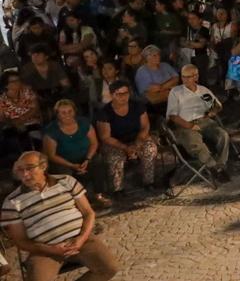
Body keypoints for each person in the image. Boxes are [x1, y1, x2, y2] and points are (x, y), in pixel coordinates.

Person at [1, 151, 120, 281]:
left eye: (29, 168)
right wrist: (50, 249)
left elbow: (88, 213)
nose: (25, 174)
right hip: (45, 250)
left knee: (109, 268)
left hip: (81, 240)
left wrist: (81, 238)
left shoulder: (66, 181)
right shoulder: (12, 201)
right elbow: (20, 241)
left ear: (43, 166)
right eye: (20, 170)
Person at [166, 64, 231, 183]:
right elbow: (173, 116)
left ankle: (221, 166)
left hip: (204, 121)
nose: (184, 79)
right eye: (183, 77)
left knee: (223, 135)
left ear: (196, 76)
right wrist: (190, 126)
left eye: (188, 77)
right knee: (196, 144)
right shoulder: (176, 92)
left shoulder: (203, 91)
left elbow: (216, 106)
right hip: (185, 124)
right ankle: (213, 168)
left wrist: (213, 111)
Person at [42, 100, 112, 208]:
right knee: (63, 172)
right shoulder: (52, 130)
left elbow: (94, 143)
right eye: (63, 112)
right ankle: (75, 202)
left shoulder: (84, 123)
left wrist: (87, 159)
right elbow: (51, 155)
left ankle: (98, 195)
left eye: (70, 111)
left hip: (85, 157)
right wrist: (71, 165)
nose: (67, 115)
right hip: (64, 161)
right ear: (57, 114)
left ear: (74, 111)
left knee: (98, 161)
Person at [96, 81, 156, 195]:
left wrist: (137, 143)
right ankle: (118, 188)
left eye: (126, 93)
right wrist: (125, 147)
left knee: (150, 148)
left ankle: (149, 182)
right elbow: (105, 137)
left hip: (136, 137)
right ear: (112, 95)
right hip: (115, 142)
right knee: (115, 156)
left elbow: (145, 126)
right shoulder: (104, 113)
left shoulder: (137, 106)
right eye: (119, 94)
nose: (123, 97)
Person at [0, 71, 43, 155]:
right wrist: (15, 123)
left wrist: (21, 119)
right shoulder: (2, 100)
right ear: (6, 85)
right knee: (14, 142)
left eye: (18, 80)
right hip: (12, 125)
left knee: (35, 139)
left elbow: (35, 108)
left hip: (31, 122)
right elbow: (2, 118)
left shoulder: (27, 92)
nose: (18, 82)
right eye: (13, 81)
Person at [134, 45, 179, 116]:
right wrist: (169, 86)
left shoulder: (165, 65)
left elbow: (176, 78)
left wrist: (162, 87)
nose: (158, 57)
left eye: (158, 55)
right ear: (147, 57)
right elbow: (153, 89)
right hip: (154, 101)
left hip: (168, 95)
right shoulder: (142, 71)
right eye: (154, 55)